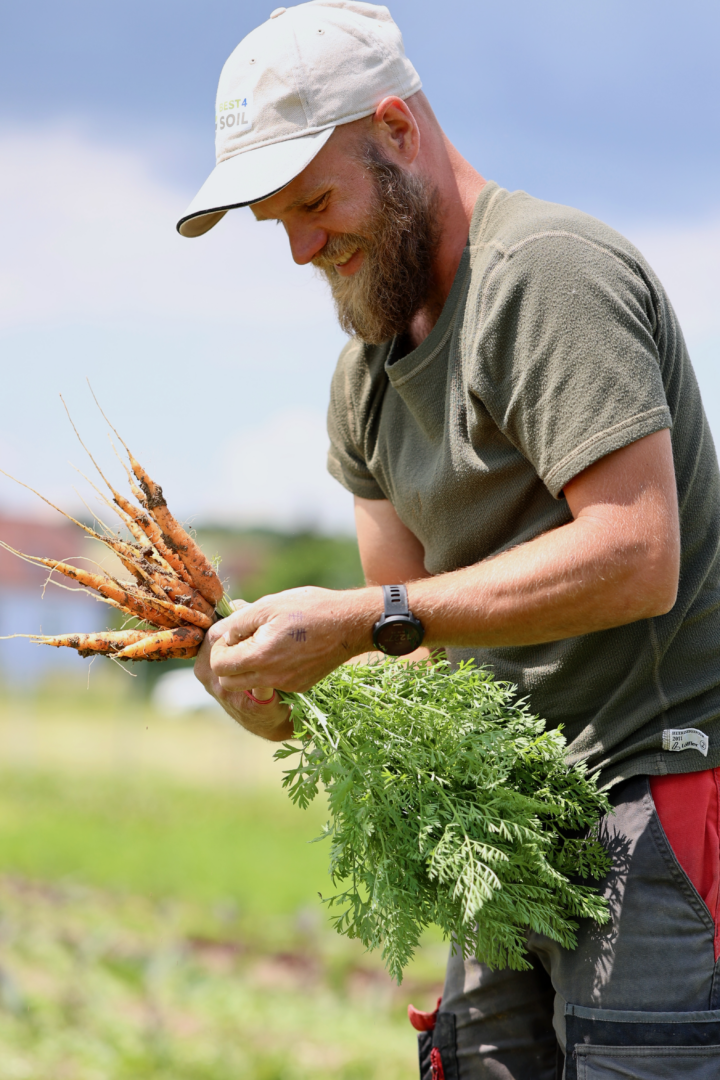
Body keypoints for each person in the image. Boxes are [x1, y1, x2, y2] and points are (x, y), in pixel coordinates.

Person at [183, 3, 720, 1077]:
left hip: (654, 793)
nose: (298, 249)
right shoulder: (366, 374)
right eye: (270, 222)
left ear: (395, 128)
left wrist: (363, 618)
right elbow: (412, 648)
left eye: (313, 202)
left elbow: (637, 551)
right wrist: (285, 698)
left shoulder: (546, 276)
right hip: (505, 818)